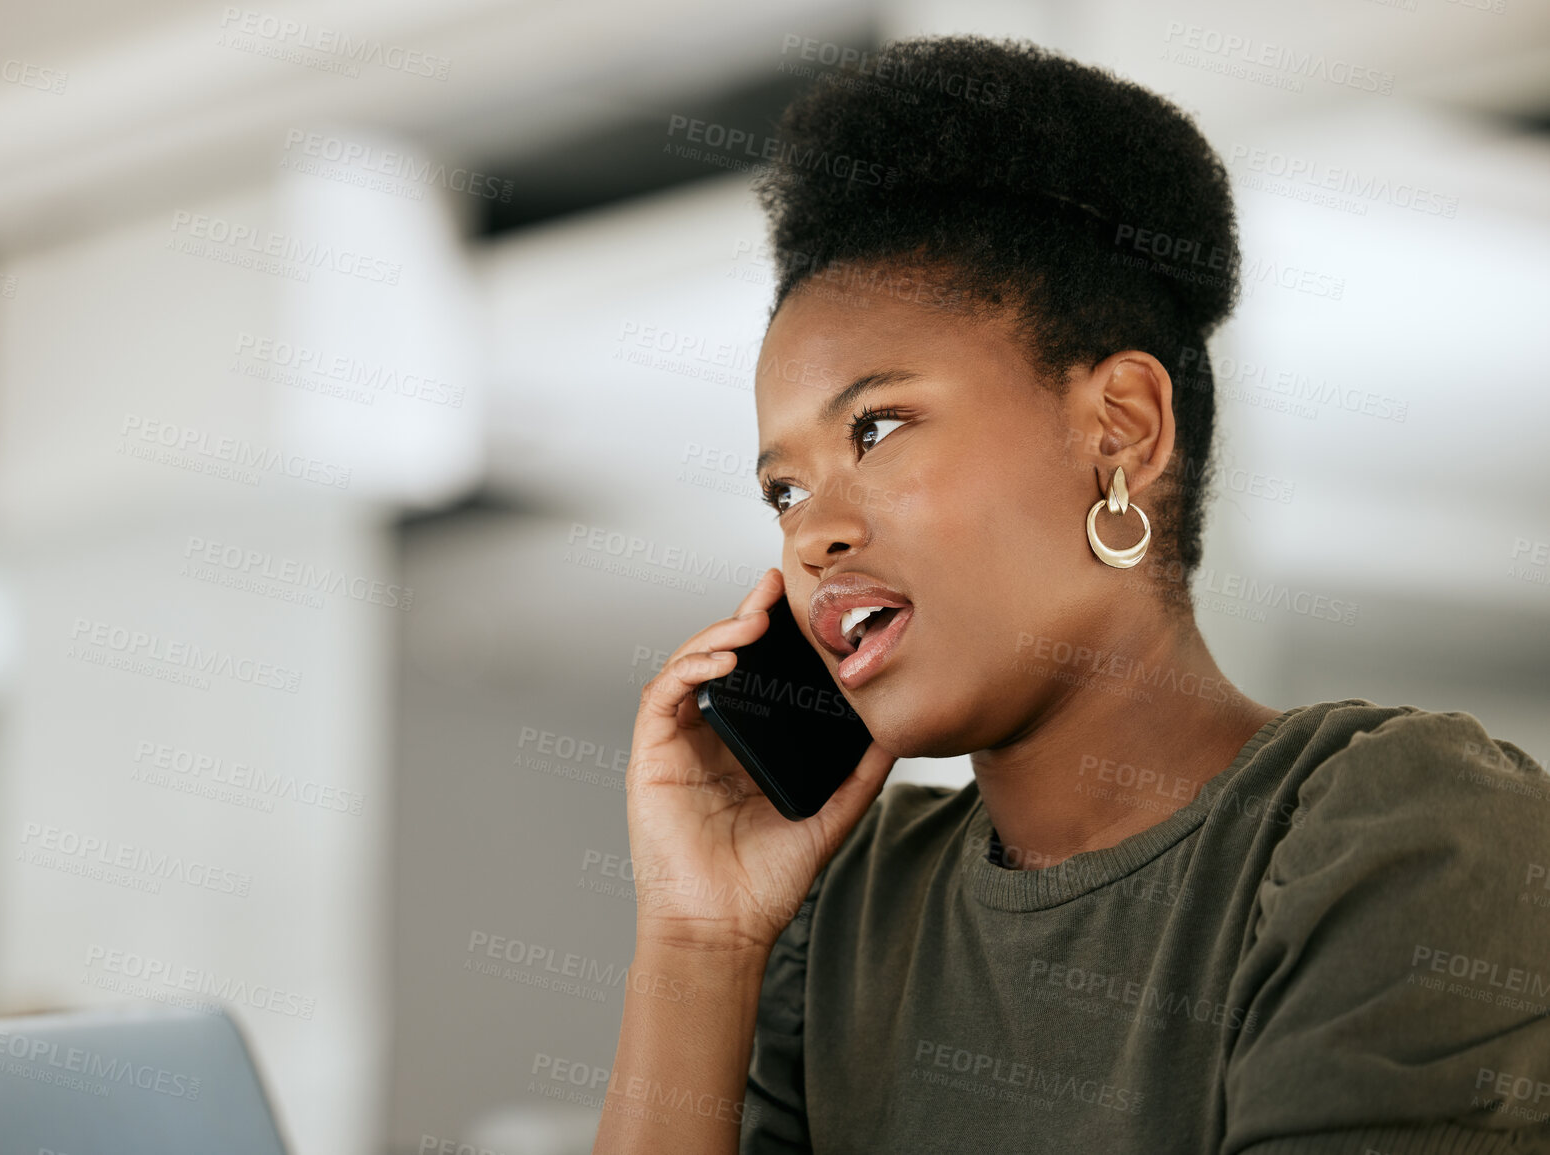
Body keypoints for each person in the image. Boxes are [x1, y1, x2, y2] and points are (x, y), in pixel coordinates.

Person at [591, 35, 1550, 1155]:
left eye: (878, 426)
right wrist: (700, 943)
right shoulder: (847, 915)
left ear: (1121, 428)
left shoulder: (1401, 829)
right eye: (783, 488)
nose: (814, 531)